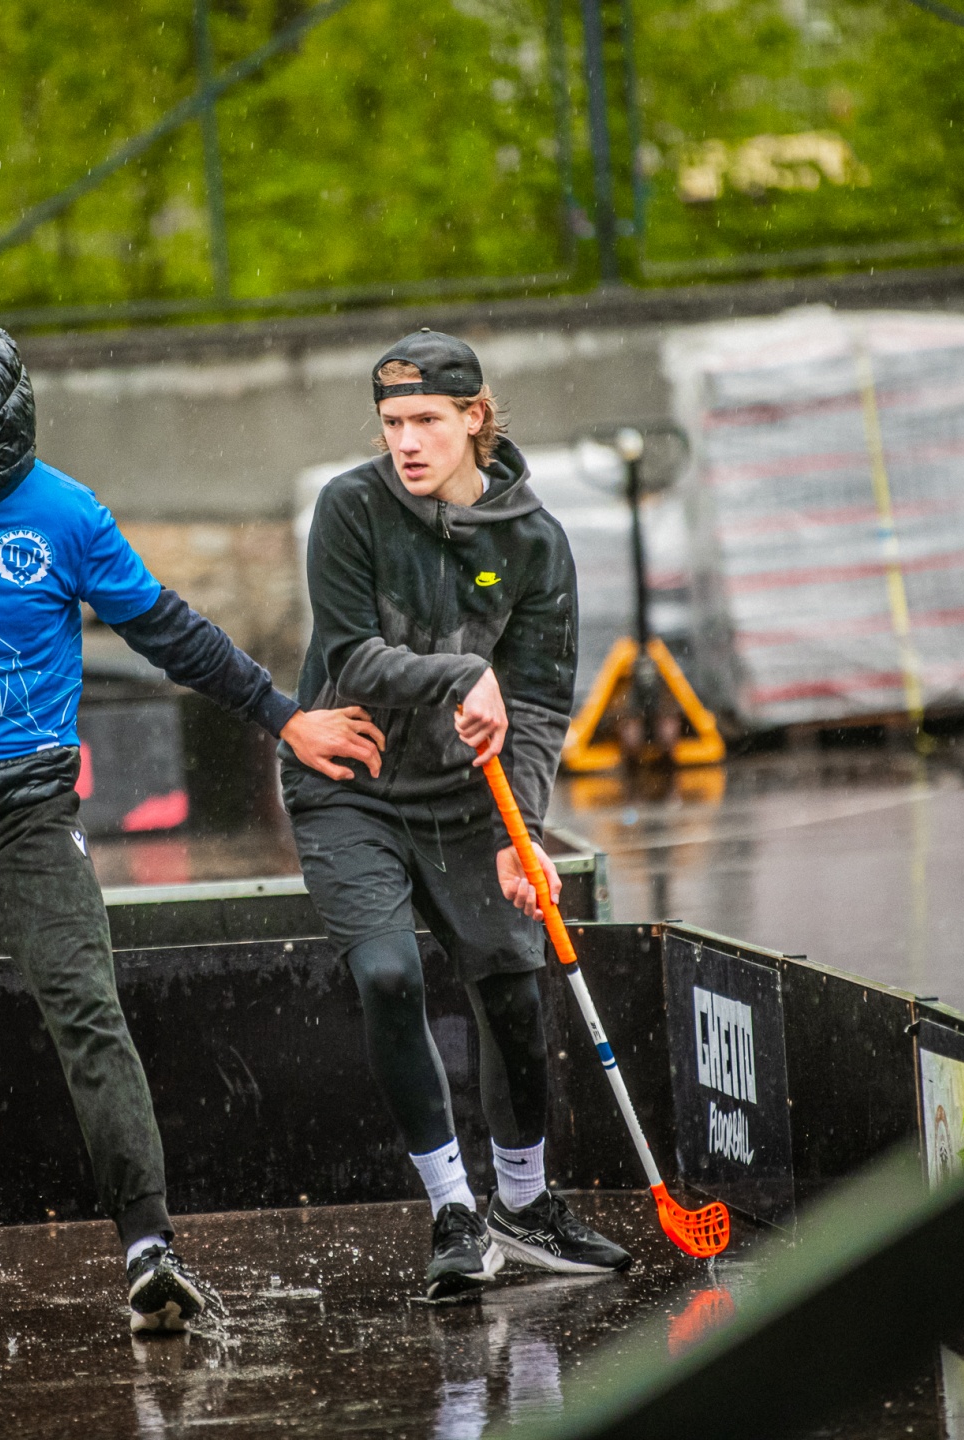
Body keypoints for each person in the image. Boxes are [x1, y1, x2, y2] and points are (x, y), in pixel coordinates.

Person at [0, 322, 382, 1335]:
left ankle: (150, 1250)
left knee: (87, 1011)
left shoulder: (66, 516)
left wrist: (282, 715)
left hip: (24, 812)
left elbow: (167, 630)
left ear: (0, 427)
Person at [283, 329, 632, 1302]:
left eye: (427, 420)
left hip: (466, 801)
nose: (405, 441)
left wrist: (524, 831)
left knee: (513, 987)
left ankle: (524, 1205)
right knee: (389, 974)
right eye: (391, 421)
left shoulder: (534, 541)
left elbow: (543, 702)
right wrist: (462, 672)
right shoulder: (349, 508)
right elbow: (350, 656)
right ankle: (453, 1214)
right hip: (346, 784)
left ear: (476, 418)